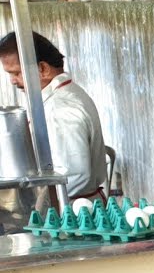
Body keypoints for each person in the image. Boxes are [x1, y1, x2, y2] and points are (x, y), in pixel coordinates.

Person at [0, 31, 107, 200]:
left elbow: (74, 176)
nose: (13, 81)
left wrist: (35, 201)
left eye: (16, 73)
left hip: (74, 214)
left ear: (43, 69)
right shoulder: (61, 95)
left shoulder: (61, 108)